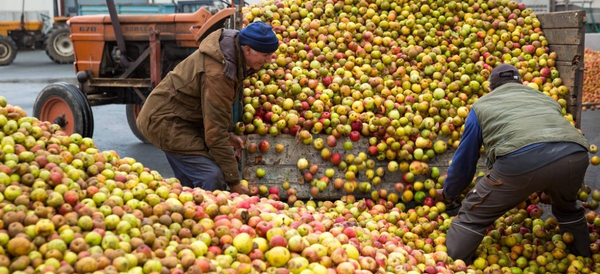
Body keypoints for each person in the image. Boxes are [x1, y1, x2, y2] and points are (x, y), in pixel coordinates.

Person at [438, 64, 591, 263]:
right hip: (576, 154)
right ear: (521, 84)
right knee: (567, 207)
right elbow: (556, 140)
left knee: (472, 214)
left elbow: (465, 160)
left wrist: (450, 193)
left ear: (491, 89)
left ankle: (450, 263)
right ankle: (584, 259)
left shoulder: (482, 105)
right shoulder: (546, 99)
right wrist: (553, 188)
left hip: (519, 160)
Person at [136, 21, 279, 194]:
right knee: (211, 176)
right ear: (247, 50)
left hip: (182, 117)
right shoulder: (219, 73)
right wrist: (234, 182)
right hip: (166, 121)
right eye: (266, 54)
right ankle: (207, 218)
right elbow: (215, 134)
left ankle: (189, 213)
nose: (270, 60)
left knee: (190, 186)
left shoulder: (233, 52)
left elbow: (216, 112)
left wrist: (228, 134)